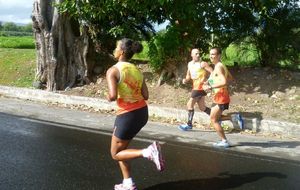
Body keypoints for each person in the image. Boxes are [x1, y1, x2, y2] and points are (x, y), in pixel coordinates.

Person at [106, 38, 165, 190]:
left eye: (116, 47)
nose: (114, 50)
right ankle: (128, 183)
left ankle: (148, 152)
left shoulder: (113, 70)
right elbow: (146, 95)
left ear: (122, 52)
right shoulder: (137, 71)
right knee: (123, 150)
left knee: (115, 153)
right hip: (142, 113)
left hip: (127, 115)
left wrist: (108, 96)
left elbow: (112, 96)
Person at [203, 47, 232, 148]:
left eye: (213, 54)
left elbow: (224, 82)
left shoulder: (219, 66)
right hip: (220, 96)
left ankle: (224, 141)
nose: (211, 56)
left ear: (219, 55)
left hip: (221, 97)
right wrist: (208, 82)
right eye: (210, 54)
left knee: (213, 119)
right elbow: (229, 77)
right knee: (215, 117)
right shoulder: (219, 66)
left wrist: (210, 87)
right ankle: (234, 118)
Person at [179, 48, 213, 131]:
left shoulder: (203, 64)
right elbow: (188, 75)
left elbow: (213, 72)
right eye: (196, 54)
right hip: (195, 86)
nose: (198, 55)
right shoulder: (190, 64)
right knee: (202, 108)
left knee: (189, 105)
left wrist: (208, 82)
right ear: (192, 55)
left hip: (200, 87)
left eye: (199, 54)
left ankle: (189, 124)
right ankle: (220, 117)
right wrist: (186, 80)